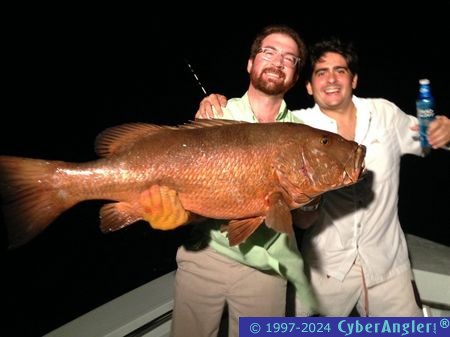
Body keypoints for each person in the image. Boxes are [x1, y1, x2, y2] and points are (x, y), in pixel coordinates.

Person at [197, 37, 450, 317]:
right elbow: (251, 132)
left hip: (388, 265)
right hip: (325, 268)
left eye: (340, 70)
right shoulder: (296, 126)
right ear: (308, 85)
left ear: (354, 80)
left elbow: (426, 139)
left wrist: (444, 130)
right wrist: (215, 101)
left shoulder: (385, 113)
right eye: (321, 72)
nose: (331, 79)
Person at [145, 24, 317, 337]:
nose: (278, 61)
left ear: (294, 75)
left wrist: (310, 196)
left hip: (268, 268)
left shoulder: (304, 134)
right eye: (269, 51)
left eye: (290, 59)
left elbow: (305, 222)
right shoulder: (216, 114)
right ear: (251, 64)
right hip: (203, 258)